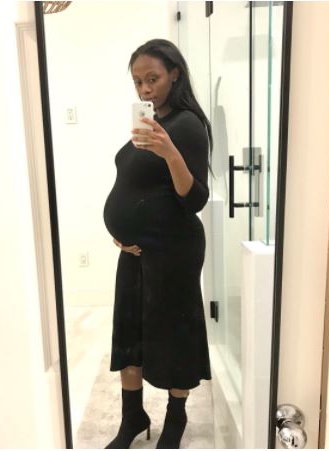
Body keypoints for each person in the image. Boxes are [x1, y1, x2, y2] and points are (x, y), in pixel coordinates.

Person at [103, 38, 213, 449]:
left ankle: (175, 418)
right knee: (128, 330)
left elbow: (194, 198)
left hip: (173, 251)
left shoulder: (187, 125)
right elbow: (138, 186)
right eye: (137, 82)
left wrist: (170, 153)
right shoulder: (151, 123)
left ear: (174, 74)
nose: (145, 89)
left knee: (173, 335)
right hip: (136, 251)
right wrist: (122, 228)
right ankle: (132, 416)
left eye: (153, 78)